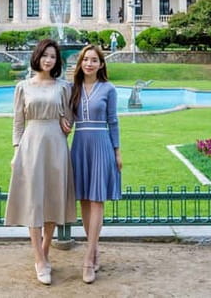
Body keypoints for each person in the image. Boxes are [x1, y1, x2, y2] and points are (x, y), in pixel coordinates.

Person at [5, 39, 76, 285]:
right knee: (34, 202)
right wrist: (16, 151)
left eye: (53, 57)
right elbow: (17, 123)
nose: (49, 60)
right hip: (31, 144)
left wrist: (68, 126)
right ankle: (38, 258)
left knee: (53, 201)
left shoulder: (64, 86)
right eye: (45, 55)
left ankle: (45, 253)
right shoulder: (23, 86)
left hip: (56, 144)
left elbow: (69, 118)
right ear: (37, 57)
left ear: (57, 61)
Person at [68, 44, 122, 284]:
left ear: (101, 64)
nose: (89, 64)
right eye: (85, 60)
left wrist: (117, 152)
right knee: (84, 200)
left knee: (97, 198)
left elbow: (114, 121)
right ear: (80, 64)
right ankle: (95, 248)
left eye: (94, 60)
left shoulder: (109, 88)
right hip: (80, 144)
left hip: (101, 143)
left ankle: (89, 257)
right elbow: (67, 118)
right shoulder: (73, 88)